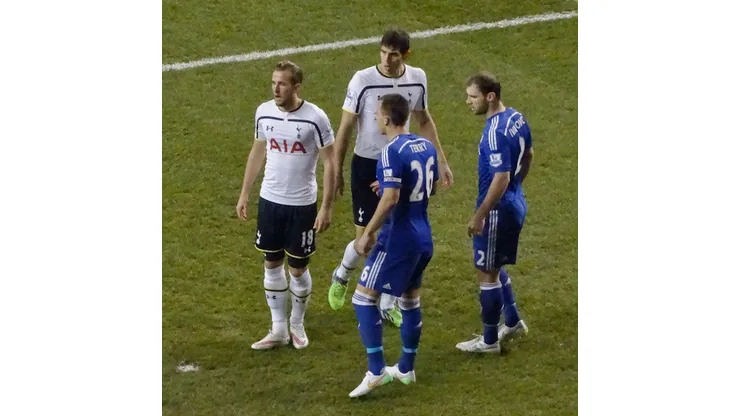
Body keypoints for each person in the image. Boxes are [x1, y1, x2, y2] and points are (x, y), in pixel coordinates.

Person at [328, 28, 453, 326]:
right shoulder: (362, 80)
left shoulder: (417, 78)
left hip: (402, 163)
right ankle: (342, 274)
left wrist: (441, 161)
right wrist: (337, 171)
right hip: (367, 165)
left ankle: (387, 301)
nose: (386, 59)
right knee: (367, 240)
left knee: (399, 236)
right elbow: (345, 128)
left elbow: (424, 120)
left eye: (393, 54)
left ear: (405, 55)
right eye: (383, 52)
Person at [236, 60, 336, 350]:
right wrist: (245, 193)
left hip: (301, 204)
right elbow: (258, 152)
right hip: (270, 200)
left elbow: (331, 163)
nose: (276, 89)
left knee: (297, 269)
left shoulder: (315, 118)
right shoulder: (263, 112)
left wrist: (326, 207)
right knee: (271, 263)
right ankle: (278, 328)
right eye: (273, 83)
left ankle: (297, 323)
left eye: (282, 83)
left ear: (296, 87)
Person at [348, 93, 438, 398]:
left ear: (386, 118)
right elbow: (429, 187)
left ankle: (375, 371)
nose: (375, 118)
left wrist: (367, 233)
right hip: (423, 235)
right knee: (410, 301)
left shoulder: (390, 151)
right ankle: (406, 369)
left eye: (377, 114)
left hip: (397, 238)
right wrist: (389, 185)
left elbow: (391, 199)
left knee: (363, 299)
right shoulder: (425, 145)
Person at [455, 71, 531, 354]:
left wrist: (480, 214)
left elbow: (500, 177)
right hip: (515, 201)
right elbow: (529, 154)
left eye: (472, 96)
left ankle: (489, 341)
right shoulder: (516, 117)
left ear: (490, 96)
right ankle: (512, 321)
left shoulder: (495, 133)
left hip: (497, 210)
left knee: (486, 273)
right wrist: (516, 186)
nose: (468, 101)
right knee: (495, 266)